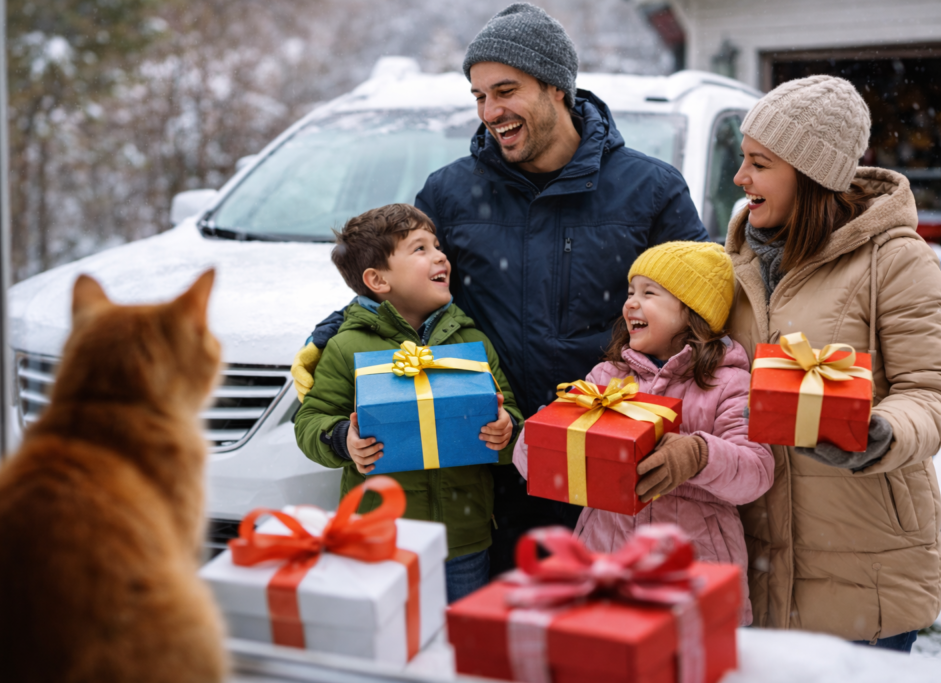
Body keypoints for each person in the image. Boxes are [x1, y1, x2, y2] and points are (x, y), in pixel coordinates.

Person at [292, 3, 709, 573]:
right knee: (494, 642)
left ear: (556, 87)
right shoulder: (451, 193)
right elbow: (403, 281)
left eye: (505, 90)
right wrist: (331, 332)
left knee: (597, 637)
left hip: (605, 456)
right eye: (479, 95)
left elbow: (704, 312)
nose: (490, 111)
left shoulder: (649, 189)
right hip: (488, 460)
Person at [725, 74, 941, 651]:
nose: (740, 178)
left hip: (863, 557)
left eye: (759, 163)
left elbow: (929, 391)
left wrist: (885, 432)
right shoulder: (736, 259)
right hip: (754, 553)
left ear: (809, 173)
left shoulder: (895, 260)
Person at [511, 241, 774, 624]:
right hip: (606, 561)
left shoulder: (729, 383)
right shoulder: (607, 377)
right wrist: (542, 435)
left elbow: (757, 472)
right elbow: (533, 468)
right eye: (630, 292)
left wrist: (698, 454)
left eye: (649, 293)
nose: (630, 303)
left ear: (692, 312)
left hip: (694, 571)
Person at [293, 204, 523, 603]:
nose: (440, 255)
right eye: (420, 249)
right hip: (379, 538)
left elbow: (512, 413)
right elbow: (311, 420)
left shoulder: (471, 342)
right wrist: (342, 439)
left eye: (437, 245)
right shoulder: (347, 346)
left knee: (458, 648)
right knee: (389, 641)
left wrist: (506, 430)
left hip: (464, 539)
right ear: (377, 279)